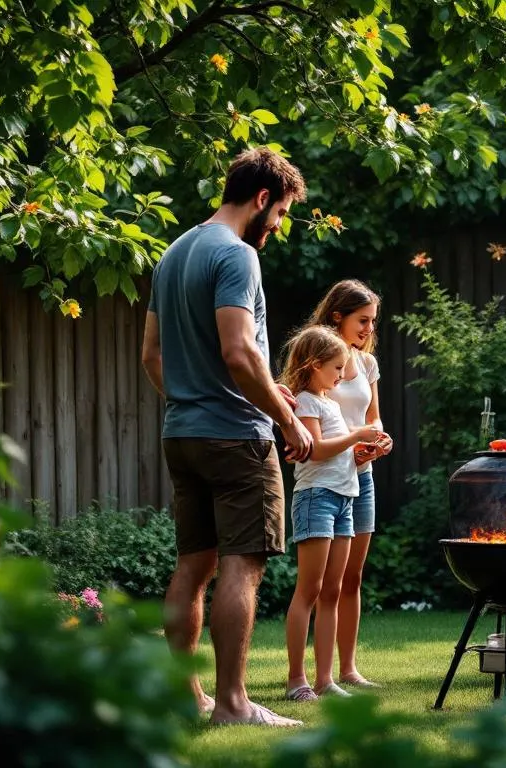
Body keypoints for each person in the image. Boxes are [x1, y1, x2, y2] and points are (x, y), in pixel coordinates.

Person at [140, 147, 313, 727]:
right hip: (237, 439)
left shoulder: (173, 253)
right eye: (282, 213)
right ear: (263, 199)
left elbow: (152, 356)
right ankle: (234, 705)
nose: (279, 227)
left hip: (183, 433)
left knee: (192, 567)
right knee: (243, 565)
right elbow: (239, 352)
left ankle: (186, 697)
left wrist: (198, 398)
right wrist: (285, 420)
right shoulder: (236, 255)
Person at [279, 325, 383, 702]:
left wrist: (367, 447)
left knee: (333, 590)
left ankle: (325, 681)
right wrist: (358, 436)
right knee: (308, 590)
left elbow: (342, 454)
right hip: (316, 499)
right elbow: (317, 450)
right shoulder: (305, 401)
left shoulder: (328, 402)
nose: (342, 375)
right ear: (314, 365)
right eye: (337, 368)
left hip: (344, 498)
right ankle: (296, 681)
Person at [308, 280, 394, 689]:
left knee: (353, 577)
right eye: (363, 320)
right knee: (326, 581)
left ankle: (348, 669)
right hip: (327, 479)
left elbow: (373, 416)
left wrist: (377, 440)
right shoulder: (319, 361)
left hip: (363, 476)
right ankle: (317, 674)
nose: (368, 329)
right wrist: (352, 444)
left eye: (373, 322)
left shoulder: (367, 364)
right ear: (337, 316)